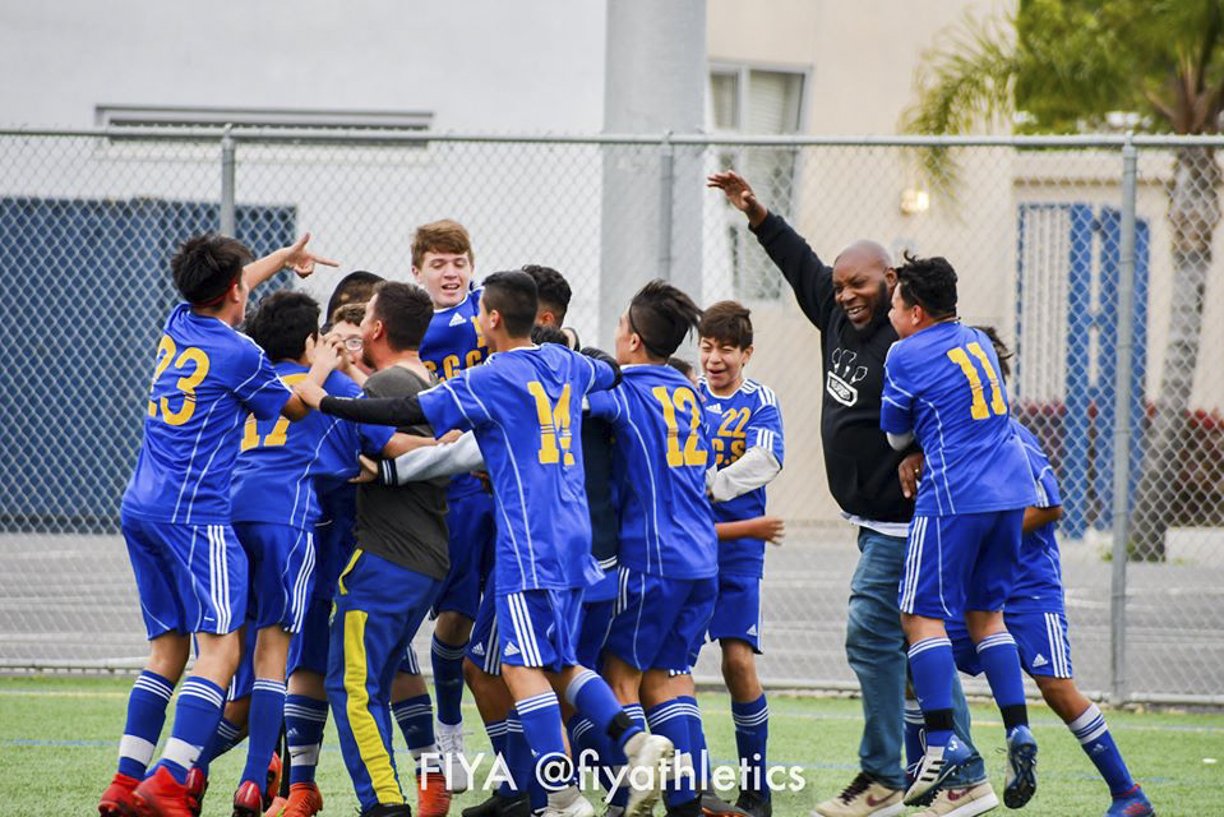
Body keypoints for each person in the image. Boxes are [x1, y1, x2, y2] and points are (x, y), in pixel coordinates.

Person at [298, 270, 675, 817]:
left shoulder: (493, 376)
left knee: (519, 669)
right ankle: (636, 742)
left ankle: (564, 798)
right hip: (576, 542)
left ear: (493, 319)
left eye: (481, 311)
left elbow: (405, 412)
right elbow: (611, 371)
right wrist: (568, 348)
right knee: (559, 663)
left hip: (530, 542)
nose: (475, 318)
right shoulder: (566, 364)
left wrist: (325, 399)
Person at [708, 170, 990, 817]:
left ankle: (884, 778)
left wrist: (919, 447)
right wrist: (753, 211)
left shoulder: (912, 335)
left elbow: (960, 394)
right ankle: (963, 773)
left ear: (890, 280)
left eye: (859, 283)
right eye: (839, 286)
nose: (846, 295)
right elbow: (797, 259)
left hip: (907, 521)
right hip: (873, 518)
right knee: (911, 642)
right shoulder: (837, 314)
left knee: (870, 632)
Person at [98, 233, 339, 817]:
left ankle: (124, 783)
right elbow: (299, 405)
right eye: (243, 286)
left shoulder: (178, 321)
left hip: (141, 508)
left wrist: (281, 259)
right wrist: (325, 366)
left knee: (166, 652)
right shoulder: (241, 354)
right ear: (233, 291)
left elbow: (237, 283)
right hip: (196, 517)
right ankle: (172, 778)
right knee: (223, 649)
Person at [226, 290, 432, 816]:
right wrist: (448, 446)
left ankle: (181, 769)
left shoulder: (249, 381)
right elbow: (388, 441)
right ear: (313, 341)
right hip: (304, 534)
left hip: (236, 523)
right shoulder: (334, 385)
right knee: (302, 669)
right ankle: (276, 781)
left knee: (235, 665)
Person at [938, 333, 1155, 817]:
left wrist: (984, 532)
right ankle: (961, 774)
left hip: (1026, 588)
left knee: (1056, 688)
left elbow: (1050, 506)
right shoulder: (949, 438)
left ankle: (1129, 794)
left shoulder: (1011, 436)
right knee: (919, 660)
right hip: (972, 594)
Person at [880, 254, 1040, 808]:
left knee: (917, 616)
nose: (890, 314)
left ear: (916, 311)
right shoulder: (975, 340)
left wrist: (915, 448)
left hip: (954, 497)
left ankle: (942, 742)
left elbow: (897, 435)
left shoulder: (905, 352)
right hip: (1010, 492)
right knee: (986, 615)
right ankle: (1018, 727)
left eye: (895, 304)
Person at [585, 280, 719, 817]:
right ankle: (686, 804)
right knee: (668, 679)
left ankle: (625, 798)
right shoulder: (686, 389)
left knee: (620, 678)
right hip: (701, 556)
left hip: (652, 558)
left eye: (620, 326)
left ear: (635, 340)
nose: (615, 334)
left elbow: (568, 403)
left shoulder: (624, 393)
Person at [402, 219, 494, 794]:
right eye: (438, 263)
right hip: (423, 486)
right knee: (408, 620)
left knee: (464, 620)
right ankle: (430, 738)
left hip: (484, 488)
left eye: (458, 261)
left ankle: (451, 725)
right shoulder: (408, 323)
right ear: (417, 272)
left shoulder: (491, 309)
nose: (451, 272)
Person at [695, 301, 785, 817]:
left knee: (736, 661)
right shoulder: (684, 394)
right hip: (687, 544)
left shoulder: (760, 400)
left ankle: (756, 788)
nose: (715, 358)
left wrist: (714, 484)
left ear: (746, 353)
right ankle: (698, 783)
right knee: (668, 665)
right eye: (707, 347)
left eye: (726, 348)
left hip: (738, 549)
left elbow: (768, 457)